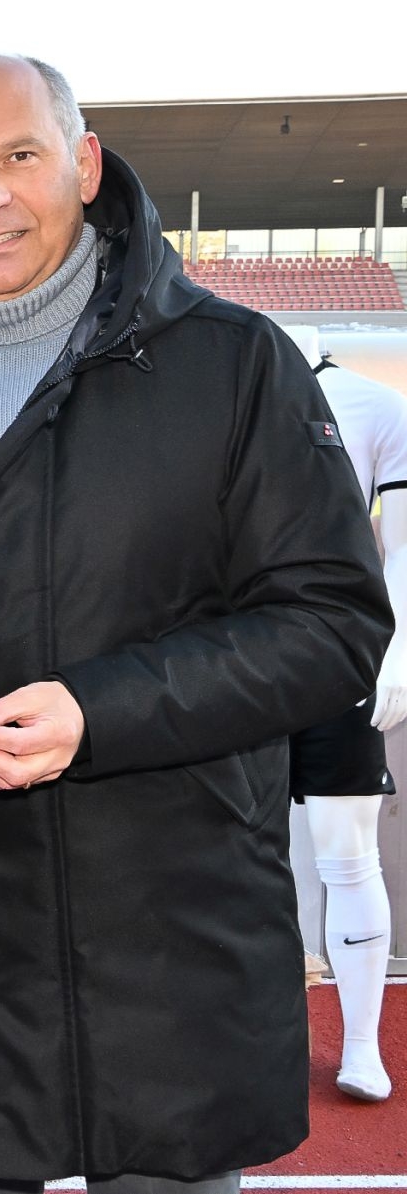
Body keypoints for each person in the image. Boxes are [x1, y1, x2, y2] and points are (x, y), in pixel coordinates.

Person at [0, 54, 392, 1194]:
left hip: (168, 972)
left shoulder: (236, 363)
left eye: (17, 157)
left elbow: (332, 621)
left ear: (85, 166)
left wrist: (99, 711)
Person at [281, 323, 402, 1102]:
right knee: (237, 855)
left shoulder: (376, 406)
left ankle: (361, 1044)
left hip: (335, 658)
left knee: (345, 848)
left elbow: (402, 554)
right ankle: (263, 1036)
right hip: (223, 660)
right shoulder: (211, 399)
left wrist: (399, 647)